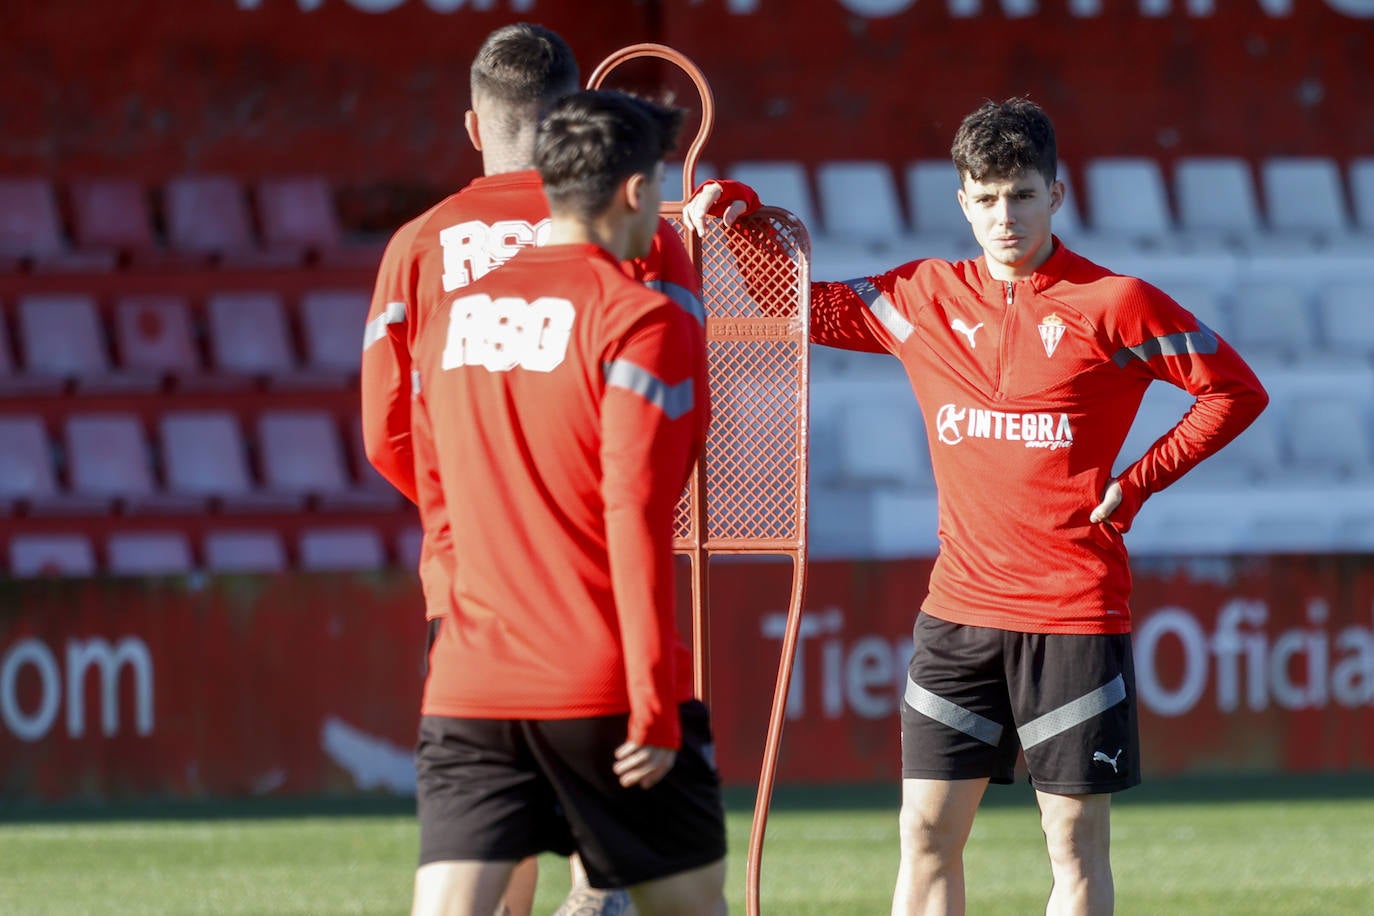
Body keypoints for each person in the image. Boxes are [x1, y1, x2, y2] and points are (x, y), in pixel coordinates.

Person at [685, 98, 1268, 915]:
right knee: (924, 834)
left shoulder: (1115, 302)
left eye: (1022, 195)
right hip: (958, 615)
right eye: (986, 197)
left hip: (1072, 615)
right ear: (961, 200)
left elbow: (1235, 391)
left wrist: (1137, 483)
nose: (1005, 217)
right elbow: (794, 306)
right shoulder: (918, 296)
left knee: (1071, 845)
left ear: (1056, 196)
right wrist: (741, 216)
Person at [359, 23, 702, 916]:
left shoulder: (423, 250)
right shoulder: (648, 245)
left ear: (476, 126)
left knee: (489, 857)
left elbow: (390, 435)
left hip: (470, 607)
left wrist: (476, 516)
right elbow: (667, 447)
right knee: (641, 876)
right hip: (601, 615)